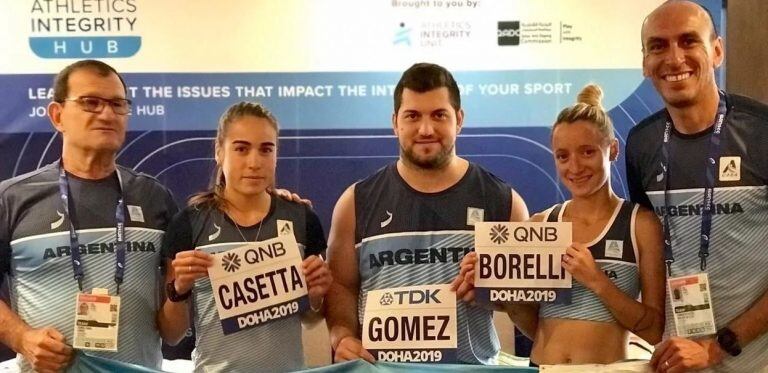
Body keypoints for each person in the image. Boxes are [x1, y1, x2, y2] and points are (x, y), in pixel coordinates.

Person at [325, 62, 529, 364]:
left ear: (459, 120)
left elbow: (526, 307)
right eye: (412, 116)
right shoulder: (355, 203)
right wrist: (341, 336)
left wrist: (495, 292)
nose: (425, 129)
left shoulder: (504, 203)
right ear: (395, 122)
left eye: (439, 115)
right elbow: (341, 286)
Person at [455, 84, 666, 366]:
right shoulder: (541, 225)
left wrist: (597, 280)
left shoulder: (639, 224)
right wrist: (492, 289)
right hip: (543, 366)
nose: (575, 167)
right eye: (563, 156)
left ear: (612, 150)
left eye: (587, 152)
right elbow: (535, 327)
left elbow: (653, 330)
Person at [0, 60, 178, 372]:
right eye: (90, 103)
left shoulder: (154, 198)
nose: (107, 114)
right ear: (57, 116)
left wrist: (278, 204)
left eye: (117, 104)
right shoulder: (12, 199)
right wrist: (22, 337)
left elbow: (176, 309)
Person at [627, 1, 768, 372]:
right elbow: (652, 250)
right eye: (658, 46)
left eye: (689, 41)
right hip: (680, 362)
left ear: (717, 51)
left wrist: (718, 347)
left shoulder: (762, 131)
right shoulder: (641, 145)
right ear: (644, 62)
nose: (674, 58)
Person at [156, 102, 332, 372]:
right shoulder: (190, 223)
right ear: (219, 151)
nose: (254, 162)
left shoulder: (302, 219)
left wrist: (316, 295)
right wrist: (178, 290)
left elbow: (310, 318)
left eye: (266, 149)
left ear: (276, 154)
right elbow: (171, 334)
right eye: (241, 148)